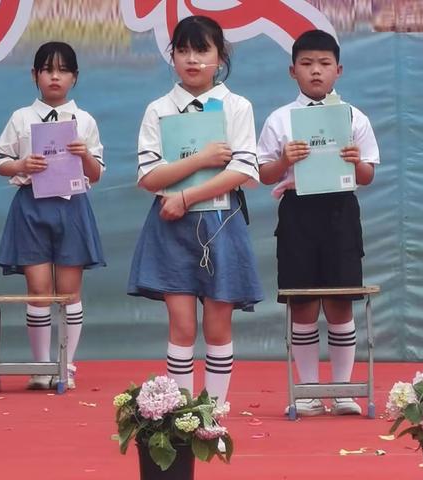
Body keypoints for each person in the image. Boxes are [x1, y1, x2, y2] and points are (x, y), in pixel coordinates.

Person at [128, 15, 263, 410]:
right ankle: (182, 417)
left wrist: (186, 197)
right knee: (182, 326)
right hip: (170, 225)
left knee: (218, 326)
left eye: (202, 50)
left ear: (220, 57)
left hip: (221, 222)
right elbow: (150, 176)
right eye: (183, 50)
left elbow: (244, 171)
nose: (192, 59)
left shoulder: (237, 106)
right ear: (172, 57)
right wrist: (201, 159)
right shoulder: (159, 108)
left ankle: (215, 414)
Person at [258, 30, 379, 416]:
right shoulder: (280, 119)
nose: (316, 71)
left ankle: (343, 391)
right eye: (307, 64)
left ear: (338, 70)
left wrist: (354, 160)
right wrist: (284, 161)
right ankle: (307, 390)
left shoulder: (354, 117)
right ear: (292, 70)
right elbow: (264, 174)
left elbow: (367, 175)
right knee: (303, 304)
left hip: (341, 213)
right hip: (297, 213)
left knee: (342, 303)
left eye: (324, 64)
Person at [0, 42, 106, 390]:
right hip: (31, 206)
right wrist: (22, 164)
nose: (54, 76)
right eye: (46, 69)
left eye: (62, 70)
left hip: (71, 206)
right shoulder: (20, 118)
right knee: (39, 291)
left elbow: (97, 173)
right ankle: (41, 366)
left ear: (74, 76)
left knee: (69, 292)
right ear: (35, 75)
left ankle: (65, 365)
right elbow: (0, 162)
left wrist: (84, 155)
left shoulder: (84, 120)